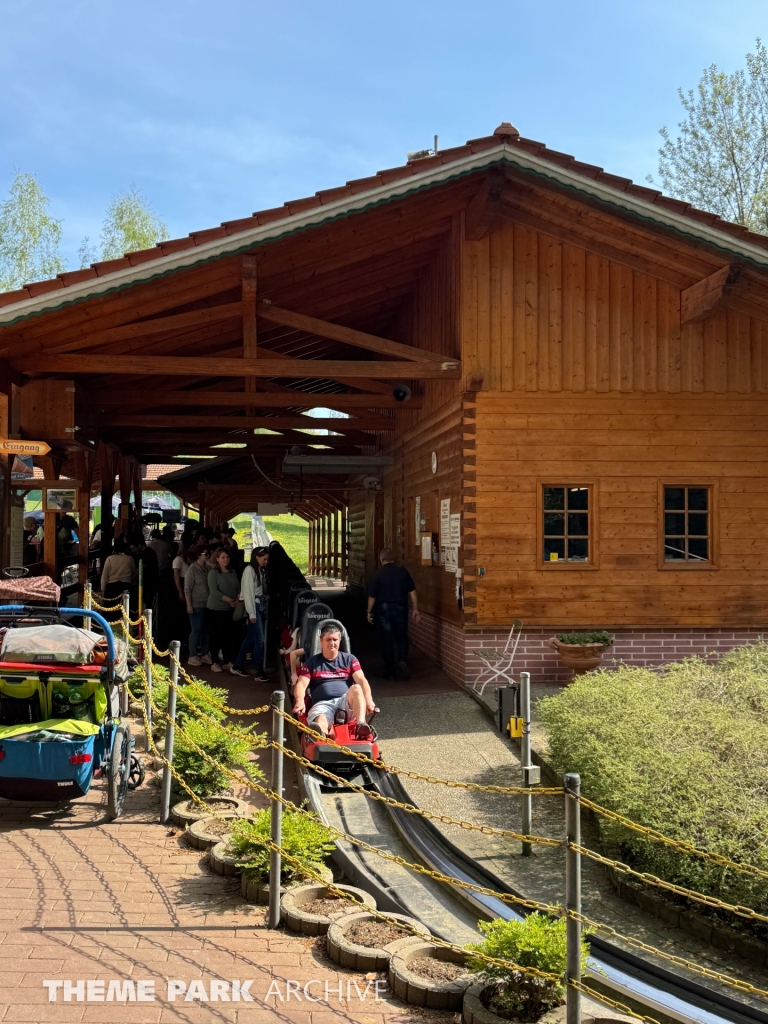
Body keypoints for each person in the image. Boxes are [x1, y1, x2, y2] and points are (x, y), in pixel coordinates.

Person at [293, 624, 376, 739]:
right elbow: (301, 684)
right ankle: (320, 735)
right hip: (322, 705)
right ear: (321, 641)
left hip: (345, 702)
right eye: (328, 640)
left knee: (356, 688)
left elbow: (362, 680)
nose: (332, 643)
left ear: (339, 641)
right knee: (321, 720)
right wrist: (300, 700)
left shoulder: (350, 659)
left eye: (335, 640)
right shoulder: (311, 662)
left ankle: (361, 725)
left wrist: (369, 699)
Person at [366, 548, 420, 680]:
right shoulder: (403, 572)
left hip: (384, 609)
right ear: (393, 559)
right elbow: (412, 591)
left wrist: (369, 612)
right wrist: (415, 609)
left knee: (386, 638)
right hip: (401, 608)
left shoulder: (378, 574)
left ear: (381, 560)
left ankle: (390, 670)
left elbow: (372, 597)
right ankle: (402, 660)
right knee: (401, 636)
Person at [231, 547, 270, 681]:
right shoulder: (250, 570)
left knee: (251, 638)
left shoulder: (257, 569)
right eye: (264, 559)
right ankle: (259, 671)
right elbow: (248, 593)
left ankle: (237, 665)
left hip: (256, 605)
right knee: (259, 639)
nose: (266, 561)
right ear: (257, 557)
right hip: (253, 606)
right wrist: (252, 613)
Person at [206, 548, 239, 672]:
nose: (226, 559)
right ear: (217, 559)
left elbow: (237, 587)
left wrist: (236, 599)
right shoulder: (213, 573)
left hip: (229, 609)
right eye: (223, 557)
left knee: (227, 635)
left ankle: (226, 660)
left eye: (227, 557)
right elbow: (214, 591)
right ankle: (214, 661)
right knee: (215, 636)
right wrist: (228, 600)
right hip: (215, 609)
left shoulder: (232, 572)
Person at [184, 545, 212, 666]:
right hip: (196, 604)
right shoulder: (192, 570)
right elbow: (187, 588)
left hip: (208, 604)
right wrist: (189, 604)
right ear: (198, 555)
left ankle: (205, 654)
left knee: (206, 630)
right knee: (196, 630)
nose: (207, 555)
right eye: (205, 554)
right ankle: (192, 655)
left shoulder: (207, 568)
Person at [100, 537, 137, 611]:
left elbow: (104, 577)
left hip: (112, 588)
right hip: (126, 587)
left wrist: (103, 590)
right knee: (126, 611)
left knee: (111, 611)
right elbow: (135, 573)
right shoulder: (129, 559)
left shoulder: (109, 559)